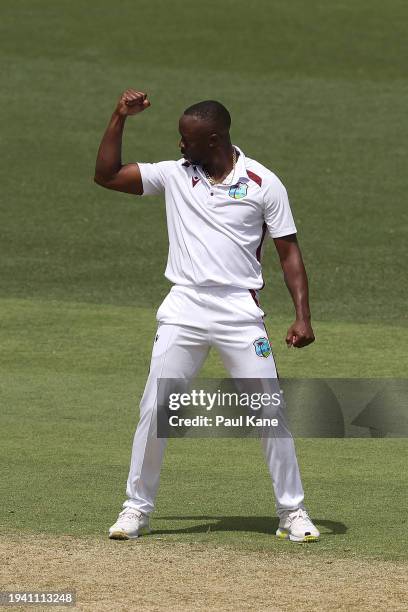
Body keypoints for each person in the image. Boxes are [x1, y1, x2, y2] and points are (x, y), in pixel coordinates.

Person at [94, 89, 320, 543]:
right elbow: (108, 175)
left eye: (187, 139)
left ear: (213, 139)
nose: (180, 146)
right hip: (184, 308)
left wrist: (302, 317)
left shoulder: (263, 183)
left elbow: (289, 253)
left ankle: (292, 513)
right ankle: (136, 509)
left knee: (268, 413)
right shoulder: (176, 175)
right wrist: (120, 117)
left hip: (240, 312)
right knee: (156, 408)